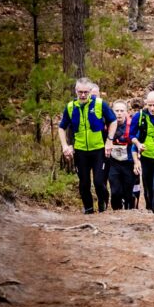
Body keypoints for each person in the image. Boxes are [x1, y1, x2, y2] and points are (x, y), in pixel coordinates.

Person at [59, 78, 118, 214]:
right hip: (80, 151)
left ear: (91, 91)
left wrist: (109, 140)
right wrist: (65, 146)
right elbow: (62, 127)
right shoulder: (70, 107)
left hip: (98, 150)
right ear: (76, 91)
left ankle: (104, 202)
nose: (83, 95)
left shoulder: (99, 104)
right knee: (84, 183)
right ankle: (89, 209)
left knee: (98, 182)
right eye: (80, 92)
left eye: (86, 92)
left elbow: (113, 120)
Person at [109, 100, 137, 210]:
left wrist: (136, 162)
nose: (119, 113)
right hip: (113, 163)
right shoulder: (108, 125)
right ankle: (116, 212)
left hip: (128, 162)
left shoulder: (132, 126)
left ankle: (129, 213)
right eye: (116, 111)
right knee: (115, 192)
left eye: (122, 111)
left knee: (128, 193)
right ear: (112, 112)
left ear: (126, 112)